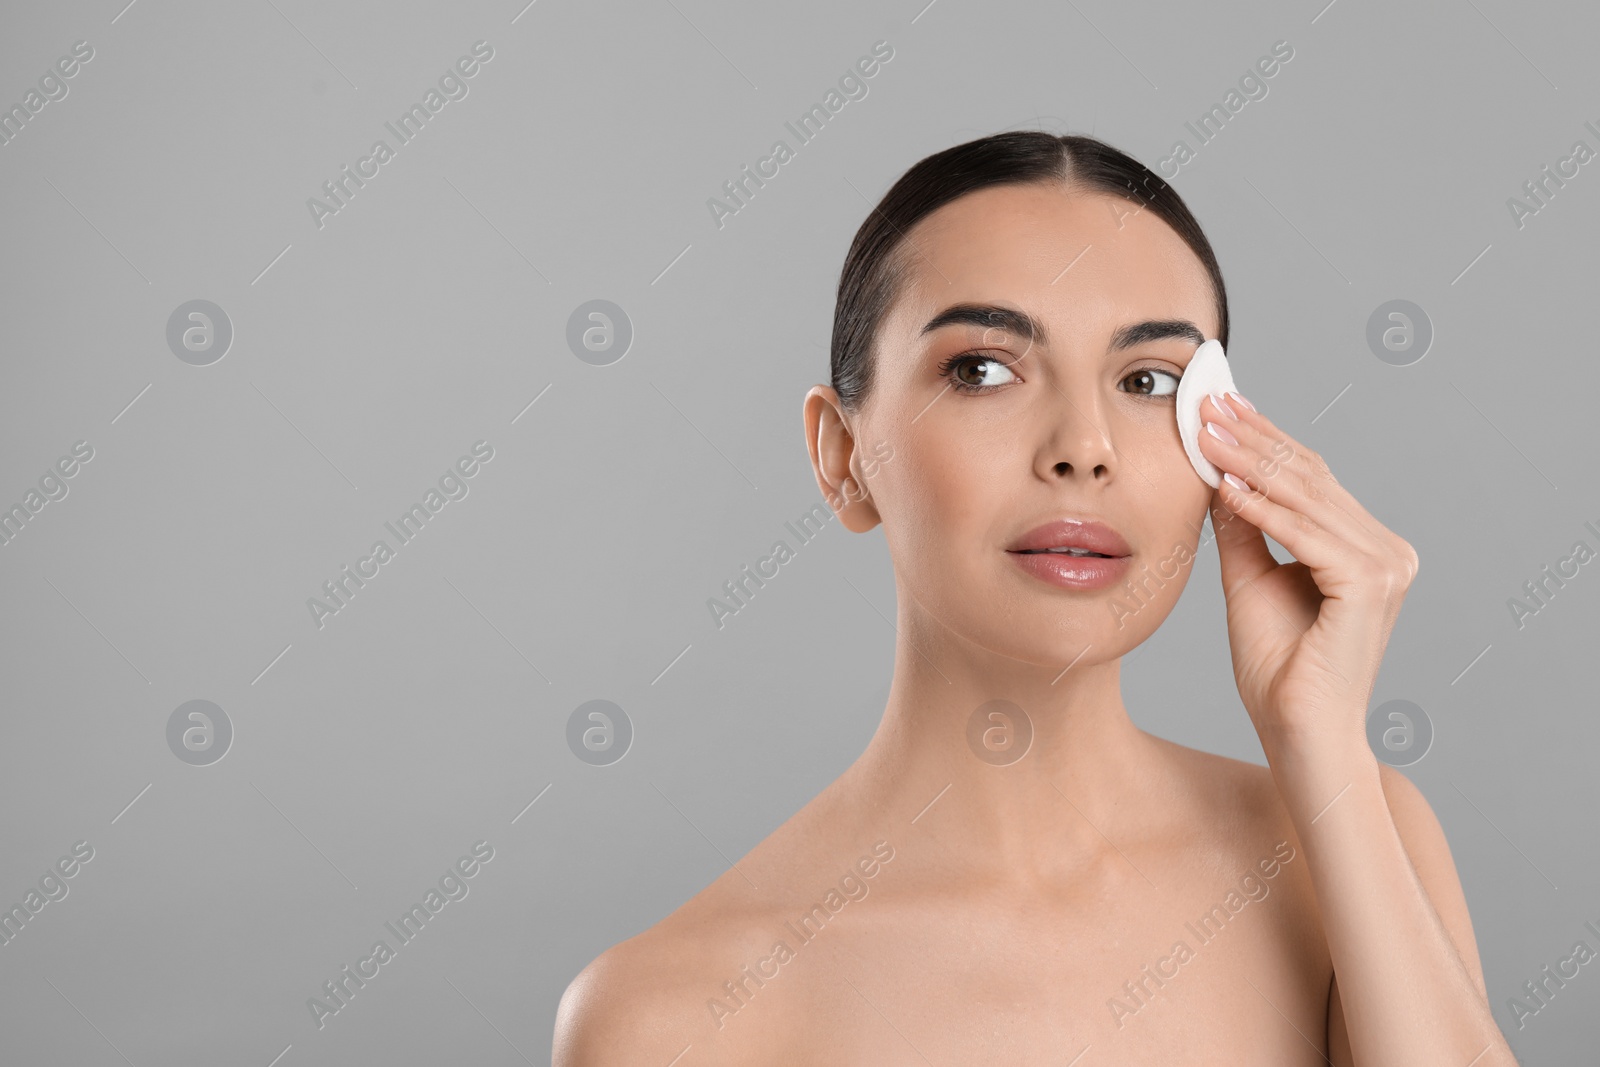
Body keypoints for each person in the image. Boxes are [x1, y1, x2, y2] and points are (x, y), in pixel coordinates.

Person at [552, 130, 1516, 1065]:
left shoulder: (1352, 837)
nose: (1083, 446)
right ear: (842, 458)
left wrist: (1322, 743)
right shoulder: (672, 1016)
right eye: (982, 369)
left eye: (1149, 380)